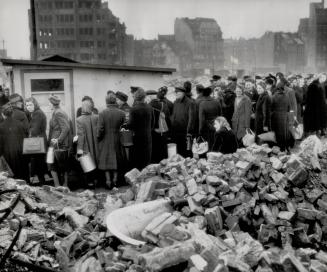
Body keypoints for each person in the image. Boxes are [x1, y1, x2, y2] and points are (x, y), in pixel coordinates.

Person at [97, 93, 125, 188]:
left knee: (106, 160)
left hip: (106, 138)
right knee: (116, 159)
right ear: (115, 101)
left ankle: (108, 181)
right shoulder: (121, 113)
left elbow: (100, 129)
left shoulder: (102, 113)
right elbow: (123, 125)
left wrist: (98, 137)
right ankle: (115, 180)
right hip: (117, 138)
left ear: (106, 101)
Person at [48, 95, 72, 187]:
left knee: (54, 164)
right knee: (60, 164)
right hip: (57, 142)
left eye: (49, 103)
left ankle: (60, 186)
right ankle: (61, 185)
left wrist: (58, 140)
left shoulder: (58, 113)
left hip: (58, 143)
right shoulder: (57, 112)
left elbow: (66, 128)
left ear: (52, 104)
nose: (48, 105)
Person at [126, 89, 154, 170]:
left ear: (135, 97)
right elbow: (152, 123)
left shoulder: (133, 109)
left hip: (137, 139)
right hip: (147, 138)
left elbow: (131, 125)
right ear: (144, 97)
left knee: (137, 162)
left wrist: (126, 125)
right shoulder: (149, 108)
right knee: (146, 162)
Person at [0, 103, 29, 180]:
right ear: (12, 113)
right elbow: (25, 138)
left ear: (3, 114)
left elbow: (1, 144)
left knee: (13, 177)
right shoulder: (19, 124)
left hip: (8, 154)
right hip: (21, 152)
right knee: (23, 175)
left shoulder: (1, 126)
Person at [76, 100, 99, 188]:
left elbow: (81, 136)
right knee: (96, 161)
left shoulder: (79, 120)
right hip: (96, 144)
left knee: (87, 163)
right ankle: (97, 180)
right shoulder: (96, 117)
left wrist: (79, 150)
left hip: (86, 145)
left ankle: (91, 183)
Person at [25, 97, 47, 185]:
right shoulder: (35, 113)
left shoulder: (37, 113)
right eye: (27, 105)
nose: (28, 107)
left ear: (35, 104)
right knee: (39, 166)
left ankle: (42, 186)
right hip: (39, 141)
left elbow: (34, 130)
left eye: (30, 105)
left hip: (38, 142)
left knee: (39, 166)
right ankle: (42, 184)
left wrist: (27, 130)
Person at [171, 87, 195, 158]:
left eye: (178, 93)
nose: (176, 94)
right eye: (175, 93)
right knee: (178, 152)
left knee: (187, 151)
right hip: (176, 131)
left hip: (185, 132)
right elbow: (174, 115)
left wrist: (189, 132)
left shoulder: (190, 103)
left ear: (183, 93)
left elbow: (191, 119)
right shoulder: (175, 102)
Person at [148, 90, 171, 163]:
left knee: (154, 157)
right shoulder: (164, 105)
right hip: (163, 133)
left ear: (150, 97)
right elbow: (168, 120)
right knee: (163, 156)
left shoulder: (148, 106)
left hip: (153, 134)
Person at [271, 84, 294, 152]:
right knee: (285, 132)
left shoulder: (274, 96)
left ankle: (280, 148)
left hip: (276, 116)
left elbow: (271, 107)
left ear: (277, 89)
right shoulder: (286, 96)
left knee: (278, 133)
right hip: (284, 116)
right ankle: (286, 147)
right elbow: (289, 108)